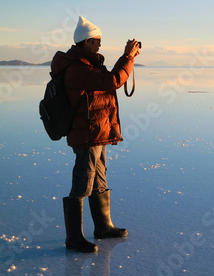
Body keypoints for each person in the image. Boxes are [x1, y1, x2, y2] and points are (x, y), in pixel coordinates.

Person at [50, 16, 140, 253]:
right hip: (87, 134)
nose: (100, 45)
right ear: (87, 42)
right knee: (83, 180)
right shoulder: (77, 68)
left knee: (99, 179)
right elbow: (112, 81)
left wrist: (127, 57)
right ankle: (74, 238)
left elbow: (107, 82)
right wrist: (128, 57)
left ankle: (103, 227)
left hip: (97, 132)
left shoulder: (88, 64)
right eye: (97, 41)